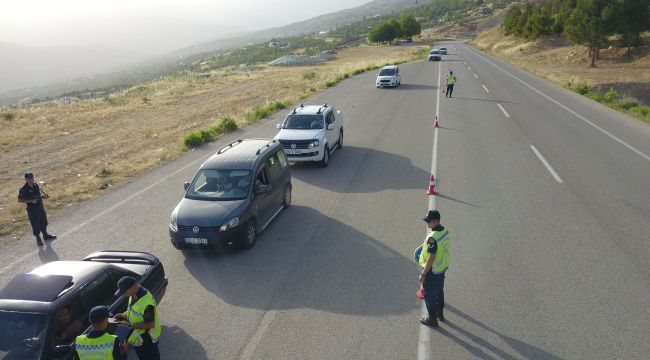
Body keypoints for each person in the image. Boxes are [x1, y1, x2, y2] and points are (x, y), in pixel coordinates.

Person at [114, 276, 161, 360]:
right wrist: (123, 315)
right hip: (139, 339)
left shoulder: (146, 303)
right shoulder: (134, 294)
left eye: (124, 292)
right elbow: (133, 309)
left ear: (133, 287)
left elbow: (150, 324)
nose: (123, 294)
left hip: (148, 340)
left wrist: (129, 325)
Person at [418, 210, 451, 328]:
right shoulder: (445, 232)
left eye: (429, 221)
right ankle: (440, 314)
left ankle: (432, 319)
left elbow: (431, 257)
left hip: (432, 270)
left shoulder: (432, 238)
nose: (427, 223)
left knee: (429, 294)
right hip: (442, 268)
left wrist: (423, 273)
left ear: (436, 221)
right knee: (439, 290)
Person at [17, 173, 56, 246]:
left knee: (44, 221)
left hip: (40, 207)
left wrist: (43, 197)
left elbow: (38, 196)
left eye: (32, 178)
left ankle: (45, 235)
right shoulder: (23, 189)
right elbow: (19, 200)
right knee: (35, 224)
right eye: (29, 178)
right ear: (26, 179)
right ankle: (38, 239)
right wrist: (30, 201)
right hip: (32, 209)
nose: (31, 180)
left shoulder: (36, 185)